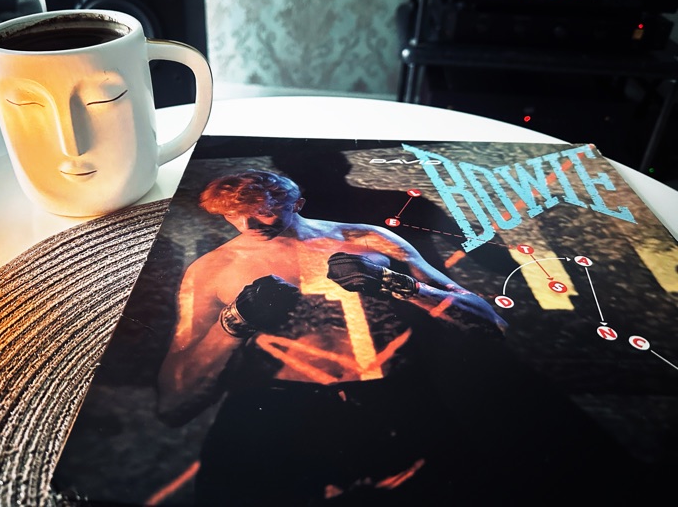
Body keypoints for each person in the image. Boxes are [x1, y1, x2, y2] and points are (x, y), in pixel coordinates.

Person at [155, 169, 519, 504]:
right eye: (232, 215)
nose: (247, 224)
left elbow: (489, 323)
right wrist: (234, 321)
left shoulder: (370, 240)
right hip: (280, 416)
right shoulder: (211, 271)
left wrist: (396, 284)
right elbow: (175, 400)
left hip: (394, 407)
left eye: (261, 212)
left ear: (297, 204)